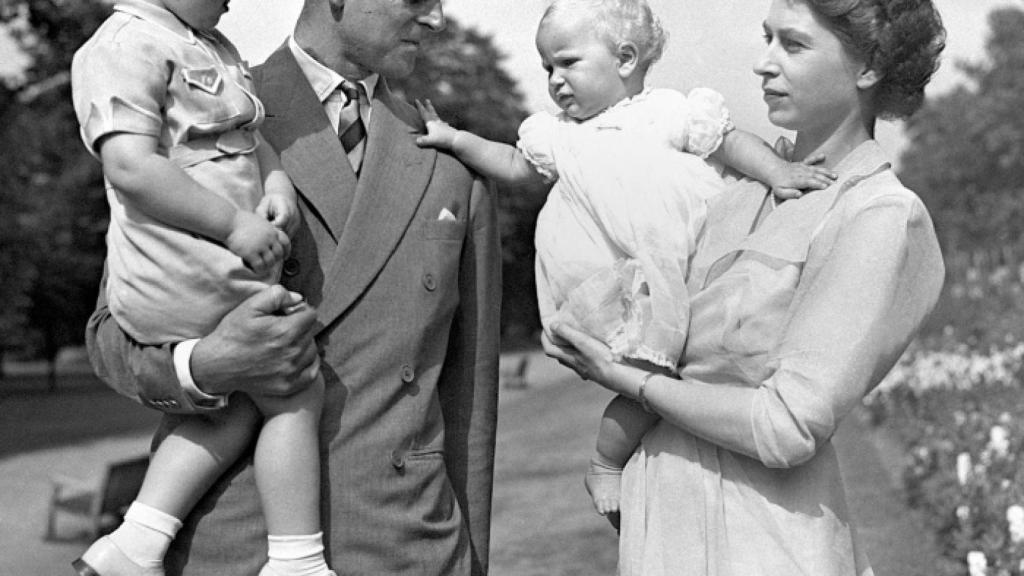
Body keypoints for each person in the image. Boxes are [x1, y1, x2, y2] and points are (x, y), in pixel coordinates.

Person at [84, 0, 502, 574]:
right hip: (235, 547)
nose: (436, 20)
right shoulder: (194, 110)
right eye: (417, 0)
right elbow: (112, 334)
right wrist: (206, 365)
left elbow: (470, 394)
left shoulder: (452, 157)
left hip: (407, 544)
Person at [543, 0, 946, 574]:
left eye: (793, 44)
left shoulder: (876, 213)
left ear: (870, 67)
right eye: (766, 39)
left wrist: (626, 380)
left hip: (765, 535)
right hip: (660, 516)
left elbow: (788, 426)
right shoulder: (731, 186)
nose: (764, 63)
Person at [415, 0, 836, 518]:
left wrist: (776, 172)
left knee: (689, 368)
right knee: (646, 374)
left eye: (568, 63)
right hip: (613, 284)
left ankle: (665, 461)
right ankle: (606, 462)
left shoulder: (668, 112)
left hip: (678, 268)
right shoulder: (557, 133)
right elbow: (513, 164)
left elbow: (729, 144)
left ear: (625, 59)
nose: (555, 80)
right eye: (547, 68)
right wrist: (457, 139)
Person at [70, 1, 333, 575]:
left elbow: (251, 138)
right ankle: (297, 560)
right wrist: (235, 224)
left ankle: (134, 544)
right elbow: (130, 167)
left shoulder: (209, 45)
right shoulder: (123, 46)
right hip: (183, 268)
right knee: (293, 385)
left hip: (212, 267)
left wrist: (277, 186)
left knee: (236, 403)